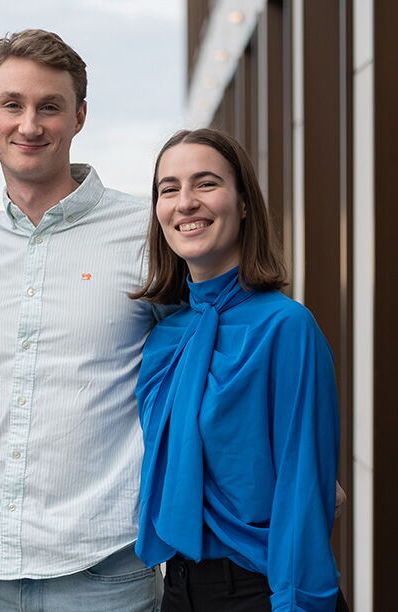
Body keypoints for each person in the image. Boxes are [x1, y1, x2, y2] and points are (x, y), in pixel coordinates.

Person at [0, 29, 163, 611]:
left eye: (50, 106)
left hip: (105, 567)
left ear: (80, 116)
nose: (30, 125)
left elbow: (218, 352)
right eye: (12, 105)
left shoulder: (147, 233)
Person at [133, 128, 343, 611]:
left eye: (206, 184)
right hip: (177, 588)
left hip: (262, 589)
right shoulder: (165, 335)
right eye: (169, 189)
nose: (185, 202)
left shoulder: (286, 327)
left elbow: (303, 486)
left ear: (244, 203)